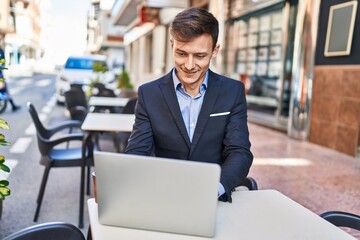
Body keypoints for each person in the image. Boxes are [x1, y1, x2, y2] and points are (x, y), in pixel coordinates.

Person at [125, 7, 253, 202]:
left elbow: (239, 152)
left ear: (215, 51)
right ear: (171, 45)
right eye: (182, 54)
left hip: (214, 198)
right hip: (163, 196)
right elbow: (137, 152)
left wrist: (216, 189)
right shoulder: (149, 94)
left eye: (200, 56)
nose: (190, 65)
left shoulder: (233, 92)